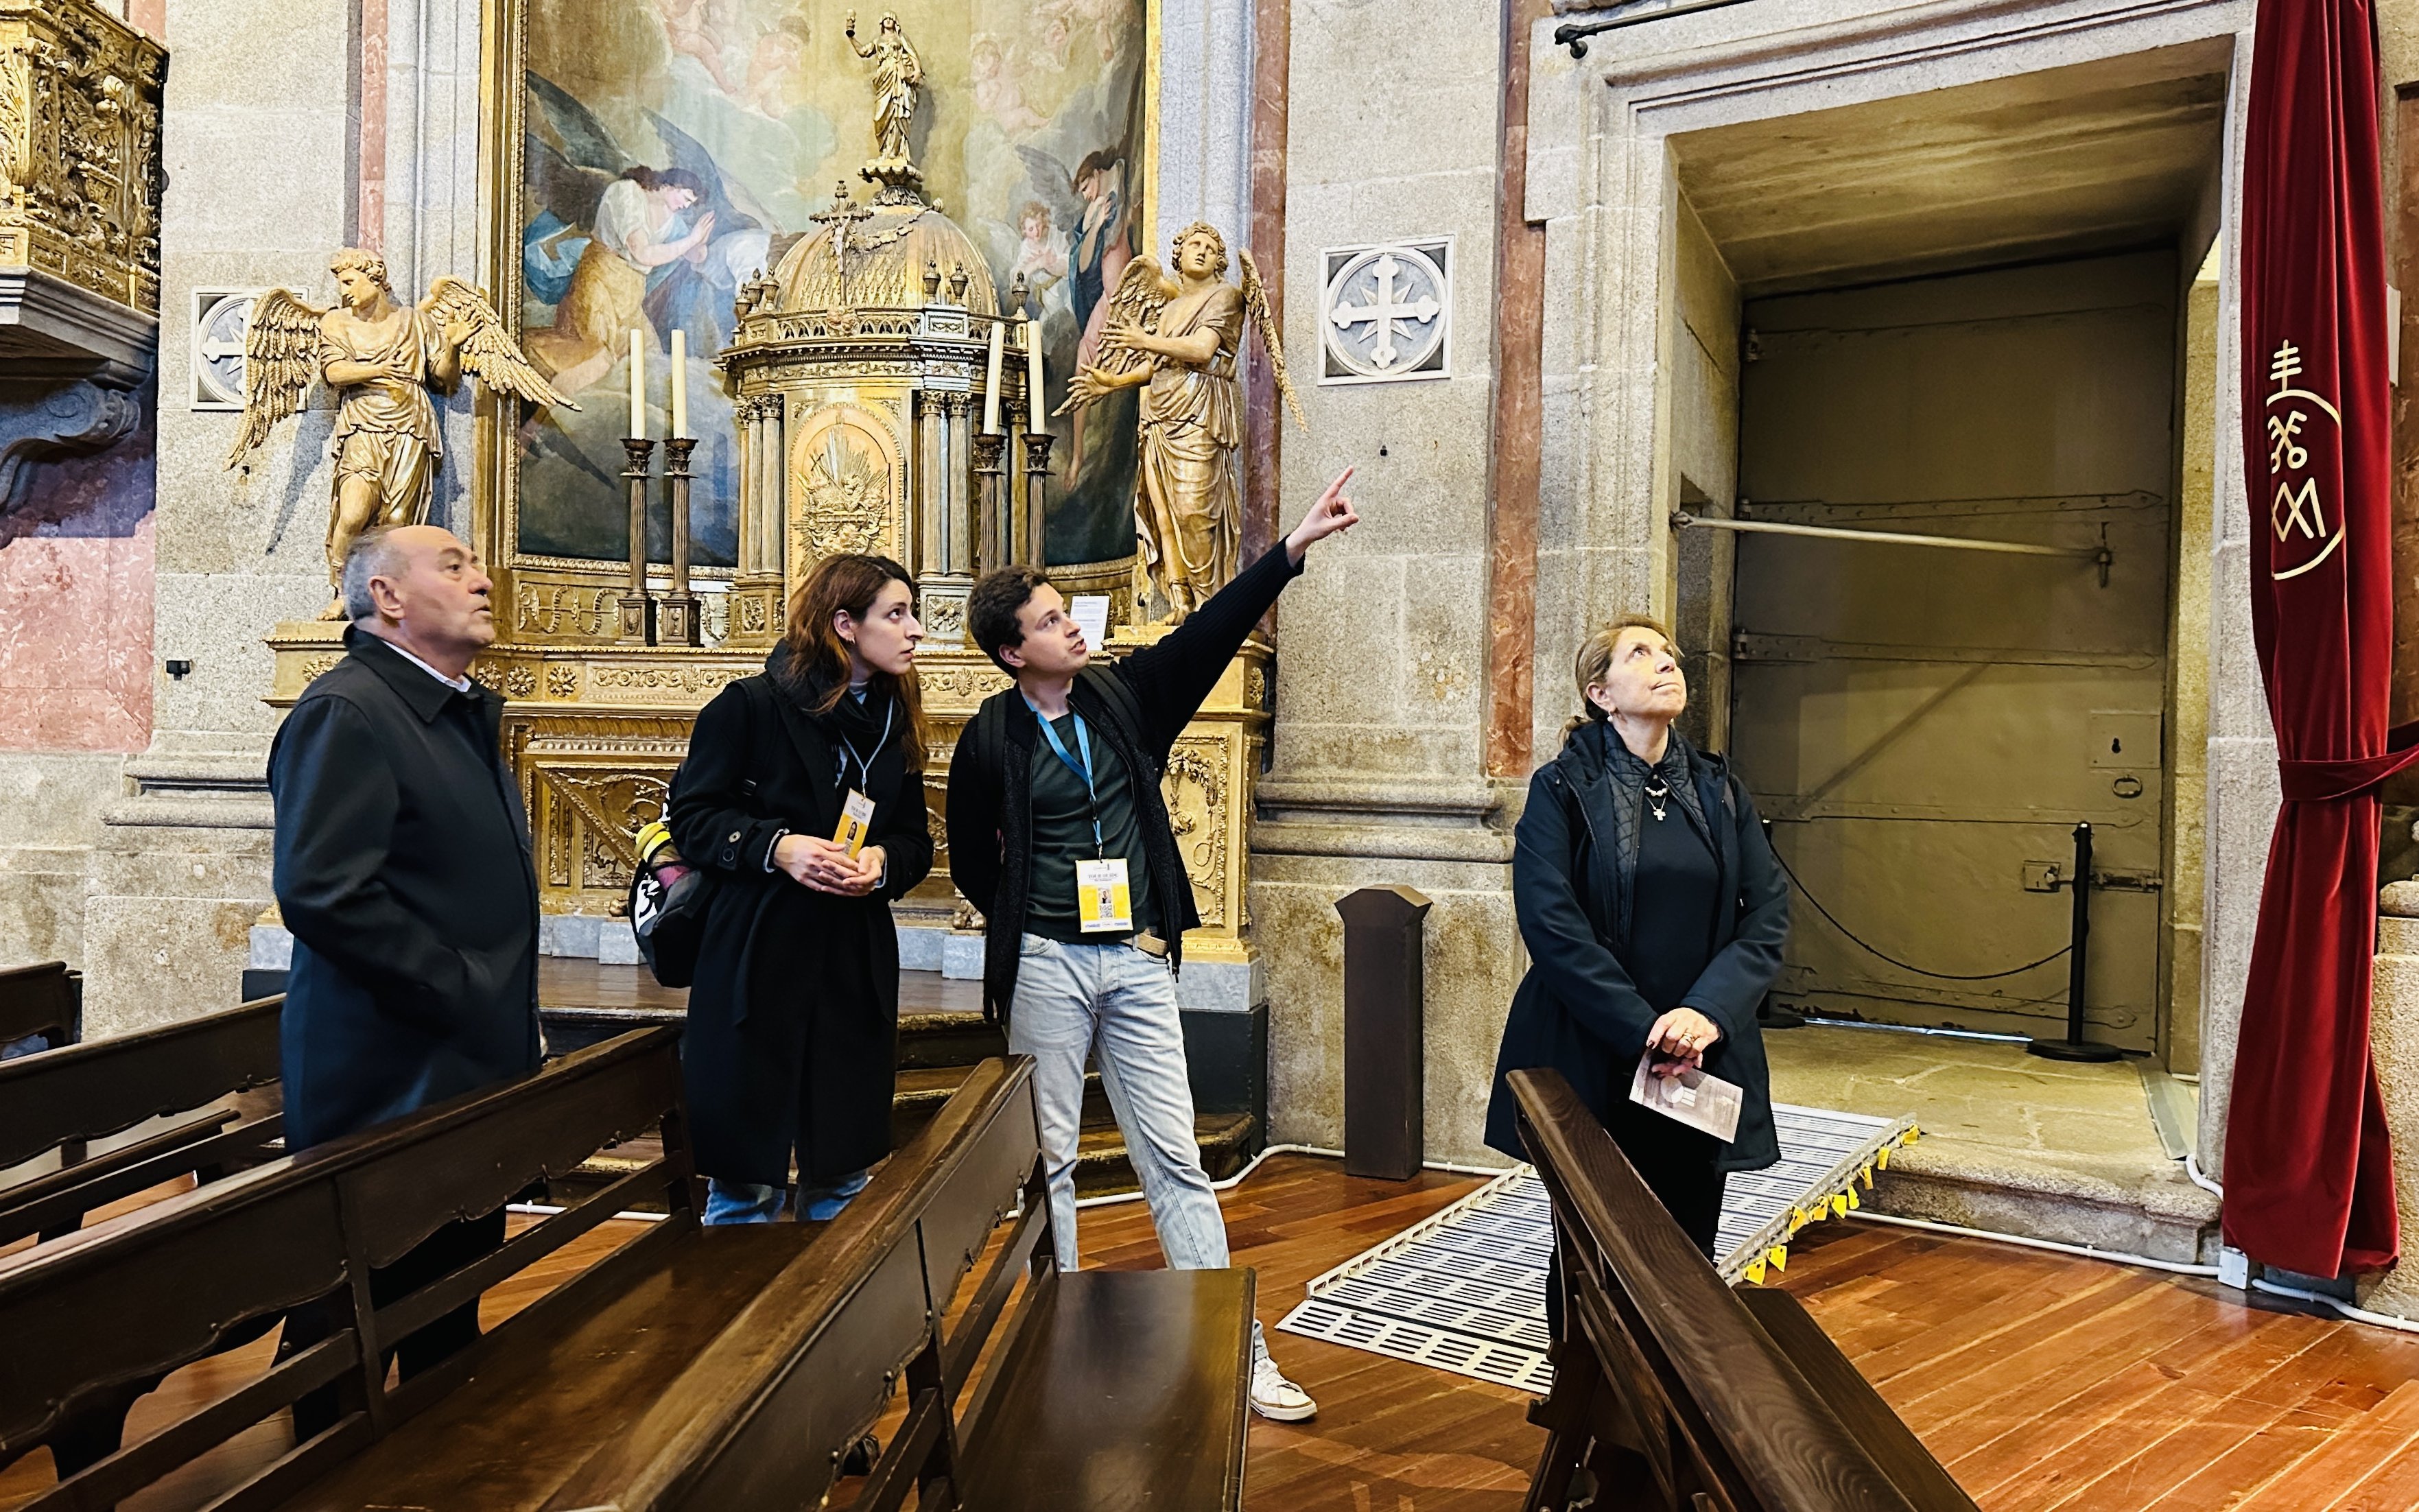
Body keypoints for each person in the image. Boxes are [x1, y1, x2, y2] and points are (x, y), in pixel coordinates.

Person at [948, 468, 1362, 1423]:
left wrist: (1288, 550)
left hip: (1132, 958)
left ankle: (1232, 1348)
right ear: (1013, 652)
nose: (1071, 626)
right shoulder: (989, 737)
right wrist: (1034, 918)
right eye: (1050, 622)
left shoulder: (1122, 699)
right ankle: (1051, 1339)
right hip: (1047, 963)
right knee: (1047, 1158)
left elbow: (1207, 633)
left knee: (1172, 1155)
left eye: (1065, 613)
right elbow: (974, 859)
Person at [269, 522, 541, 1382]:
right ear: (386, 596)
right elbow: (323, 891)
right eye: (454, 565)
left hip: (459, 1064)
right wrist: (460, 985)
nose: (483, 578)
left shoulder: (449, 707)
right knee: (353, 1324)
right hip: (389, 1072)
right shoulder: (348, 710)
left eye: (476, 561)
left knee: (444, 1308)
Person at [1484, 616, 1789, 1332]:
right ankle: (1585, 1403)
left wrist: (1705, 1013)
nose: (1664, 663)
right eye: (1640, 653)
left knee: (1687, 1244)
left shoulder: (1719, 789)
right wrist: (1643, 1024)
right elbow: (1551, 921)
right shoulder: (1562, 787)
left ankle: (1676, 1411)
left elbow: (1767, 912)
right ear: (1601, 693)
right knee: (1591, 1244)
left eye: (1669, 654)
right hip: (1593, 1045)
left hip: (1696, 1056)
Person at [667, 554, 936, 1224]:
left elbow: (914, 841)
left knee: (843, 1172)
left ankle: (834, 1323)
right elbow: (693, 817)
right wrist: (778, 847)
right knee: (743, 1184)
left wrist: (879, 862)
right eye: (896, 614)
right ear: (844, 623)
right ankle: (737, 1321)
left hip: (851, 957)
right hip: (757, 951)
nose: (916, 630)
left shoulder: (893, 717)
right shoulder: (750, 706)